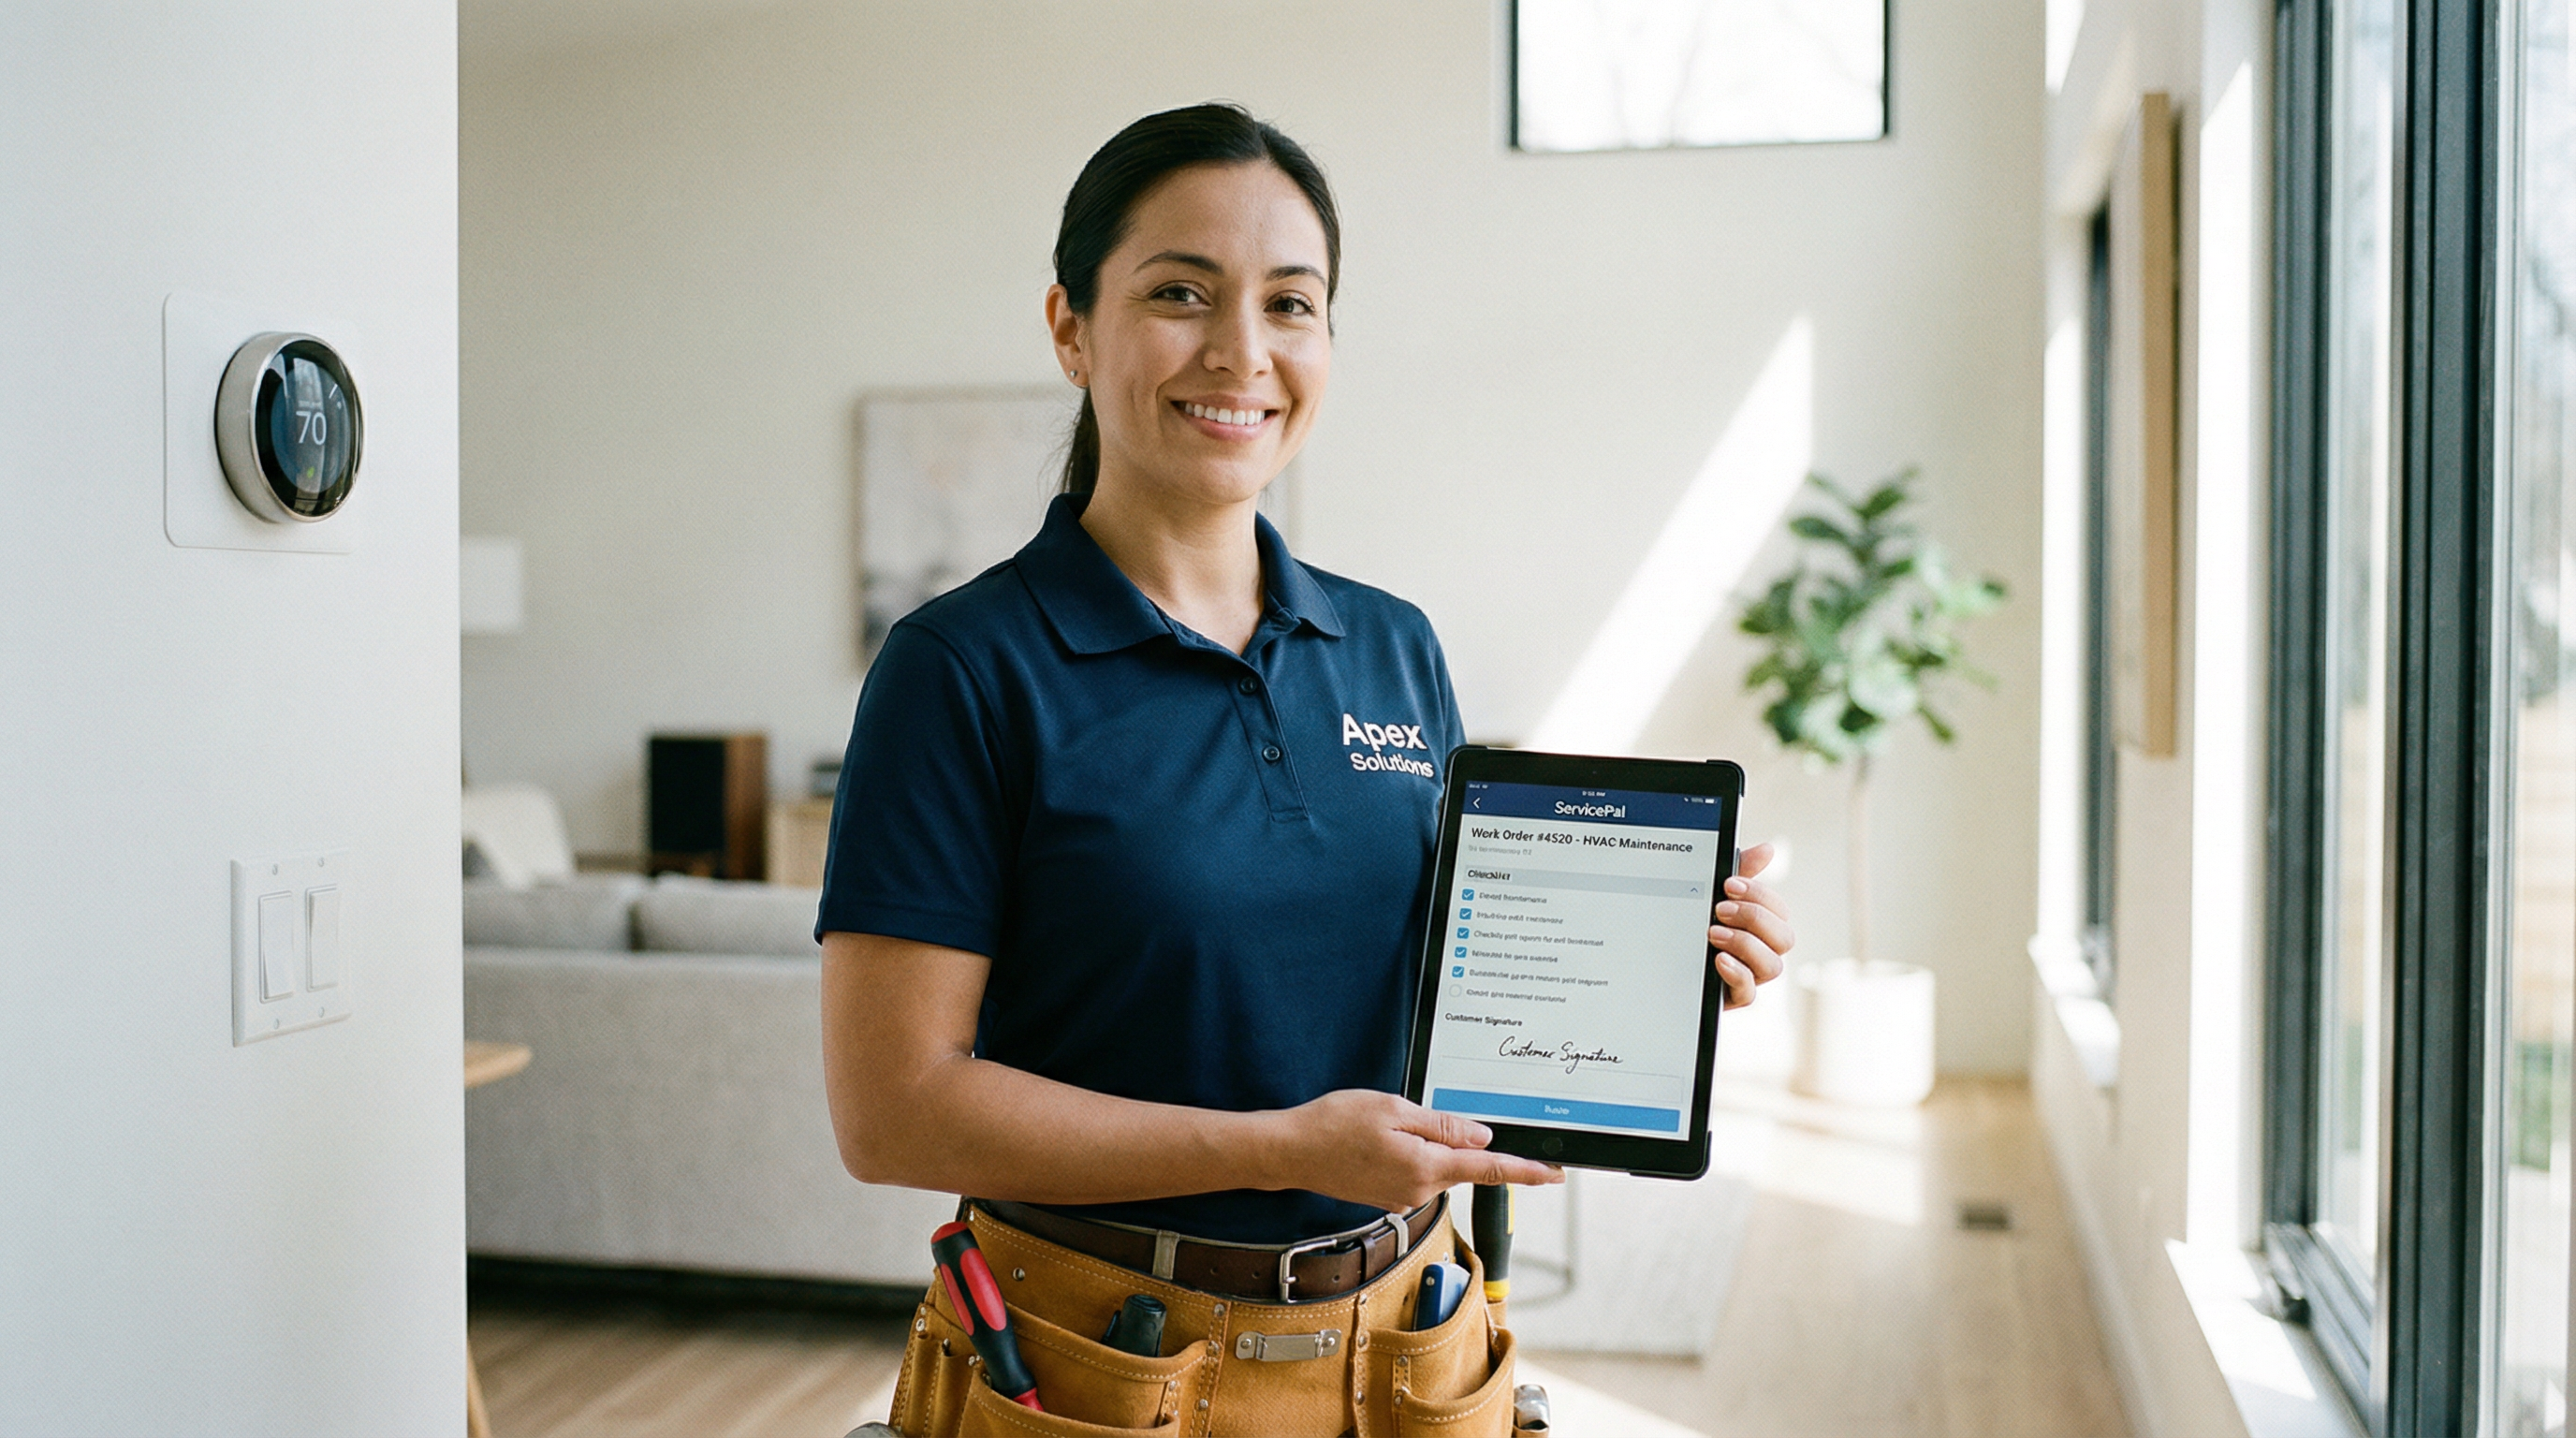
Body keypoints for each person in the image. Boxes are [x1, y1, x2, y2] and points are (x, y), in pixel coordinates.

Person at [817, 102, 1793, 1438]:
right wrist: (1277, 1148)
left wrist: (1647, 973)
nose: (1242, 352)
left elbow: (1450, 990)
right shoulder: (962, 668)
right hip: (1103, 1369)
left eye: (1293, 303)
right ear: (1071, 328)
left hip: (1413, 1346)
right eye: (1180, 293)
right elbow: (894, 1113)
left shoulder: (1392, 645)